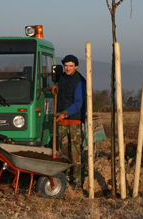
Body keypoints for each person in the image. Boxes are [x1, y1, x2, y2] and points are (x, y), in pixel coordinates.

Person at [52, 54, 86, 188]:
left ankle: (77, 180)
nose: (68, 68)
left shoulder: (80, 81)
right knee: (63, 152)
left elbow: (78, 103)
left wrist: (65, 114)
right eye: (66, 65)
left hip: (74, 121)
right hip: (62, 122)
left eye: (71, 66)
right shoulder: (62, 78)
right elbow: (63, 95)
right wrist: (55, 90)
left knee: (75, 152)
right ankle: (64, 178)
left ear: (76, 67)